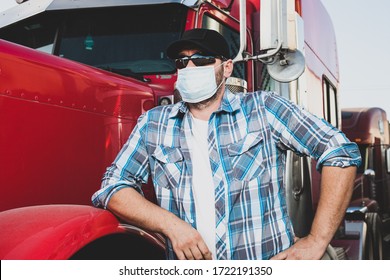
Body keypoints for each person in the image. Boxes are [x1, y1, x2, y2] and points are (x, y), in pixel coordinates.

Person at [92, 28, 361, 260]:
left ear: (227, 67)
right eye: (182, 62)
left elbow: (339, 151)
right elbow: (113, 187)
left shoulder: (263, 109)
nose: (190, 69)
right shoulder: (154, 123)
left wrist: (317, 240)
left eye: (202, 60)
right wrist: (172, 226)